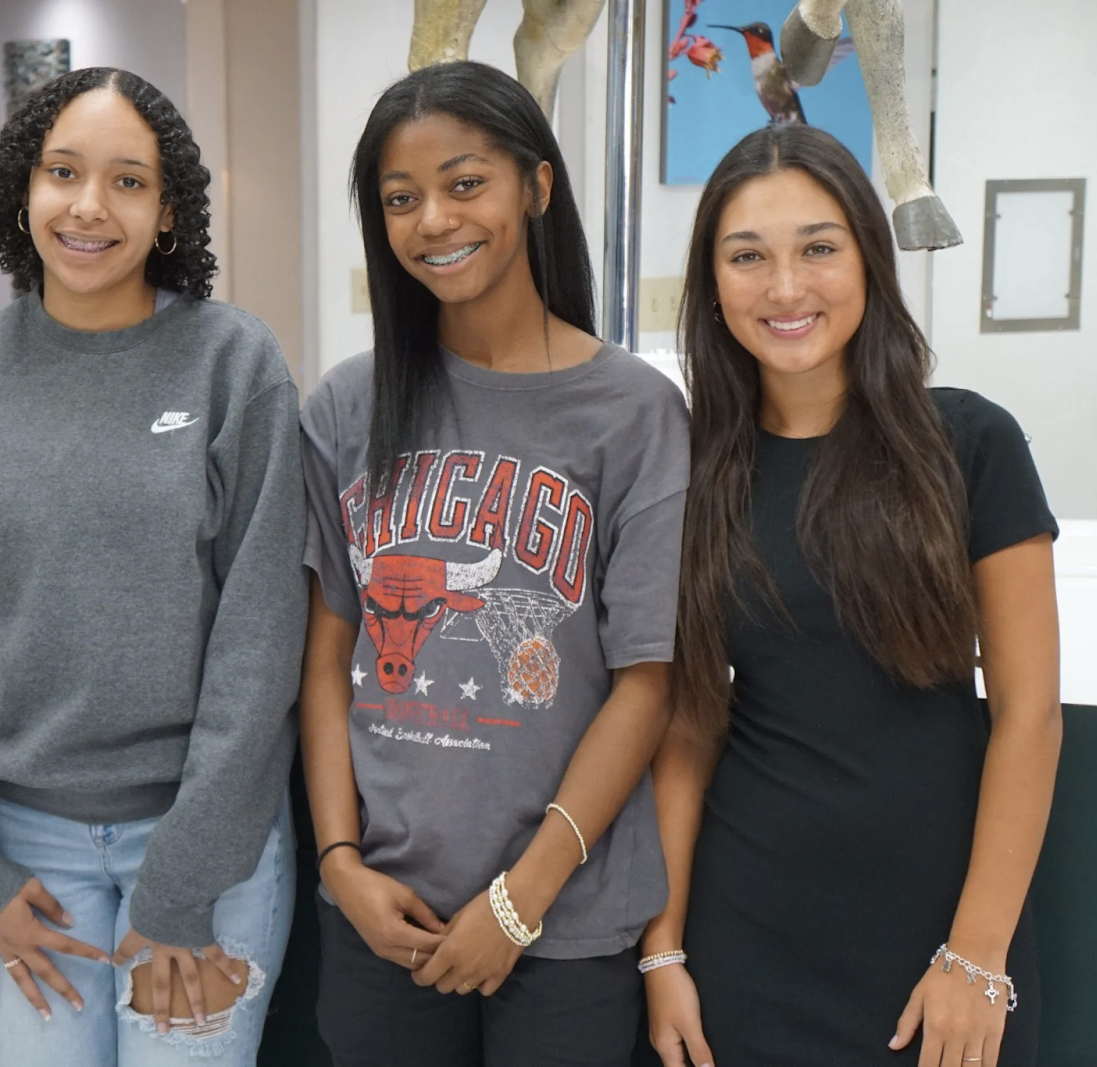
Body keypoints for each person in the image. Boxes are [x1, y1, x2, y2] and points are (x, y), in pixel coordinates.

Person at [0, 67, 306, 1067]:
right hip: (22, 852)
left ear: (167, 210)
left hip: (207, 847)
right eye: (63, 172)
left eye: (128, 181)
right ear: (20, 190)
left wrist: (183, 881)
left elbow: (259, 641)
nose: (89, 206)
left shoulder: (233, 364)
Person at [638, 124, 1061, 1067]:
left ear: (869, 258)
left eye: (819, 248)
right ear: (713, 284)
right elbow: (691, 724)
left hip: (944, 938)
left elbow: (1029, 717)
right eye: (748, 257)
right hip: (745, 938)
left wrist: (978, 953)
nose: (785, 288)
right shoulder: (694, 466)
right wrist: (661, 945)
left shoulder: (972, 443)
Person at [299, 61, 690, 1067]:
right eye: (399, 198)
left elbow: (645, 682)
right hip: (385, 908)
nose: (433, 218)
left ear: (537, 186)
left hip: (565, 912)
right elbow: (324, 658)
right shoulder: (345, 407)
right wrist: (340, 860)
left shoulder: (634, 412)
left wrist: (521, 897)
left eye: (465, 182)